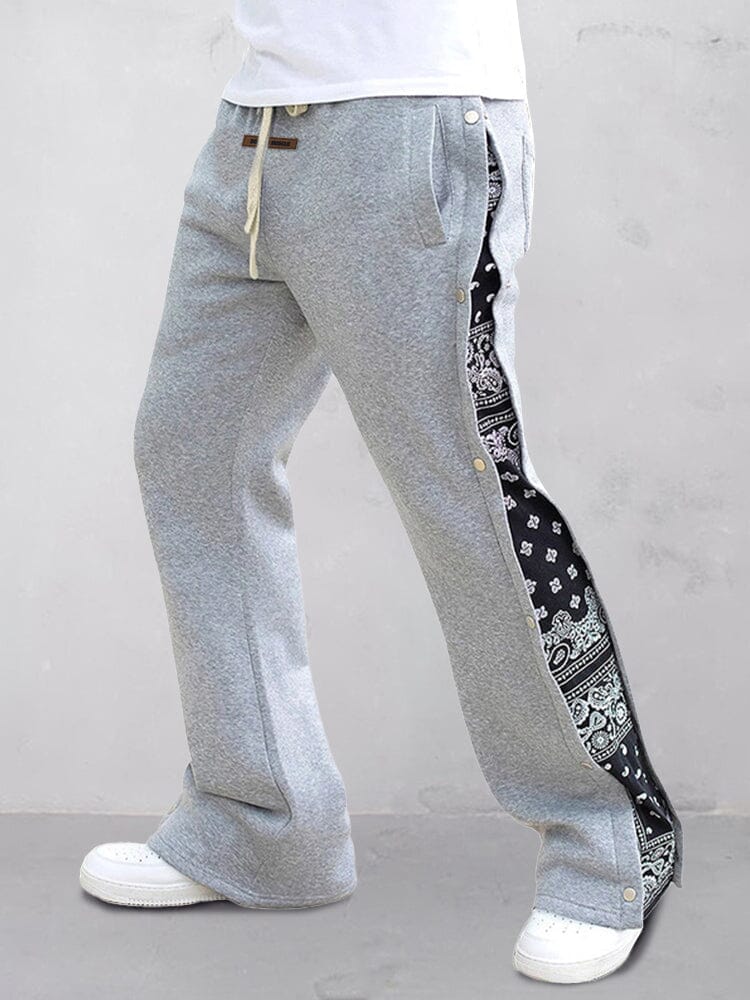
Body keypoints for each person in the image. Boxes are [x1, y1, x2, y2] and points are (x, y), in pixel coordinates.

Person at [78, 0, 682, 984]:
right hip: (256, 132)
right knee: (193, 451)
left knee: (466, 483)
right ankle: (265, 824)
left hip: (413, 122)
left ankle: (612, 842)